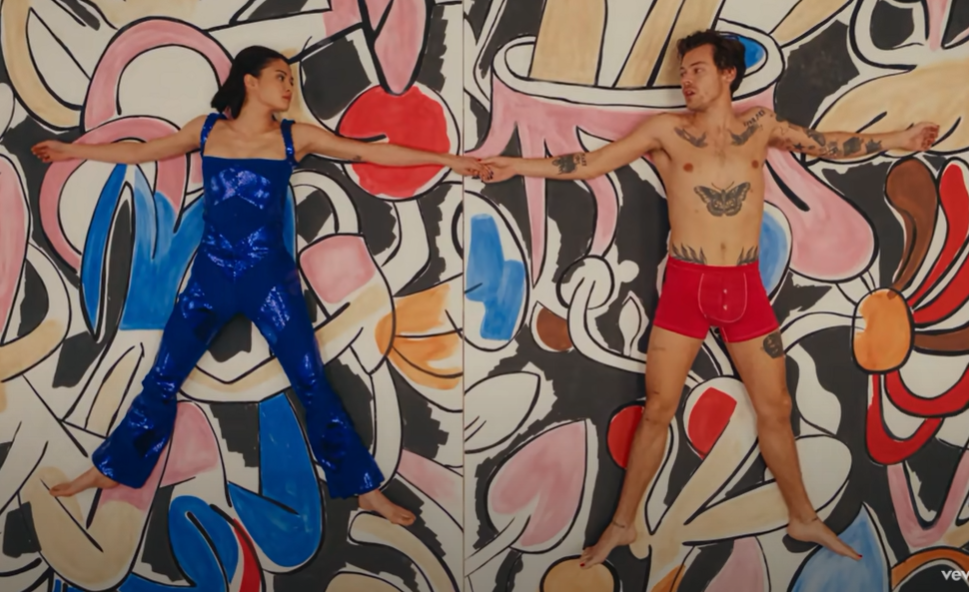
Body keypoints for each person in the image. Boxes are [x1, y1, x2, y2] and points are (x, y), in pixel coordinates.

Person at [480, 29, 938, 565]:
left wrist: (899, 138)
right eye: (682, 73)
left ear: (728, 73)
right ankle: (622, 524)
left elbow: (824, 143)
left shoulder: (760, 126)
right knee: (658, 409)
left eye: (696, 69)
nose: (686, 80)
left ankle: (803, 516)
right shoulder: (666, 131)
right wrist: (516, 165)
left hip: (745, 288)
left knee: (776, 407)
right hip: (687, 288)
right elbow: (589, 162)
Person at [31, 45, 488, 526]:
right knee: (162, 377)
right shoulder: (207, 130)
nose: (289, 86)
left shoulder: (295, 137)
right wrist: (72, 150)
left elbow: (369, 151)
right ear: (250, 81)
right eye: (280, 77)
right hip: (210, 277)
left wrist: (449, 160)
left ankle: (364, 490)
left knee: (312, 382)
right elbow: (141, 152)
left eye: (290, 79)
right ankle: (113, 468)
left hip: (269, 281)